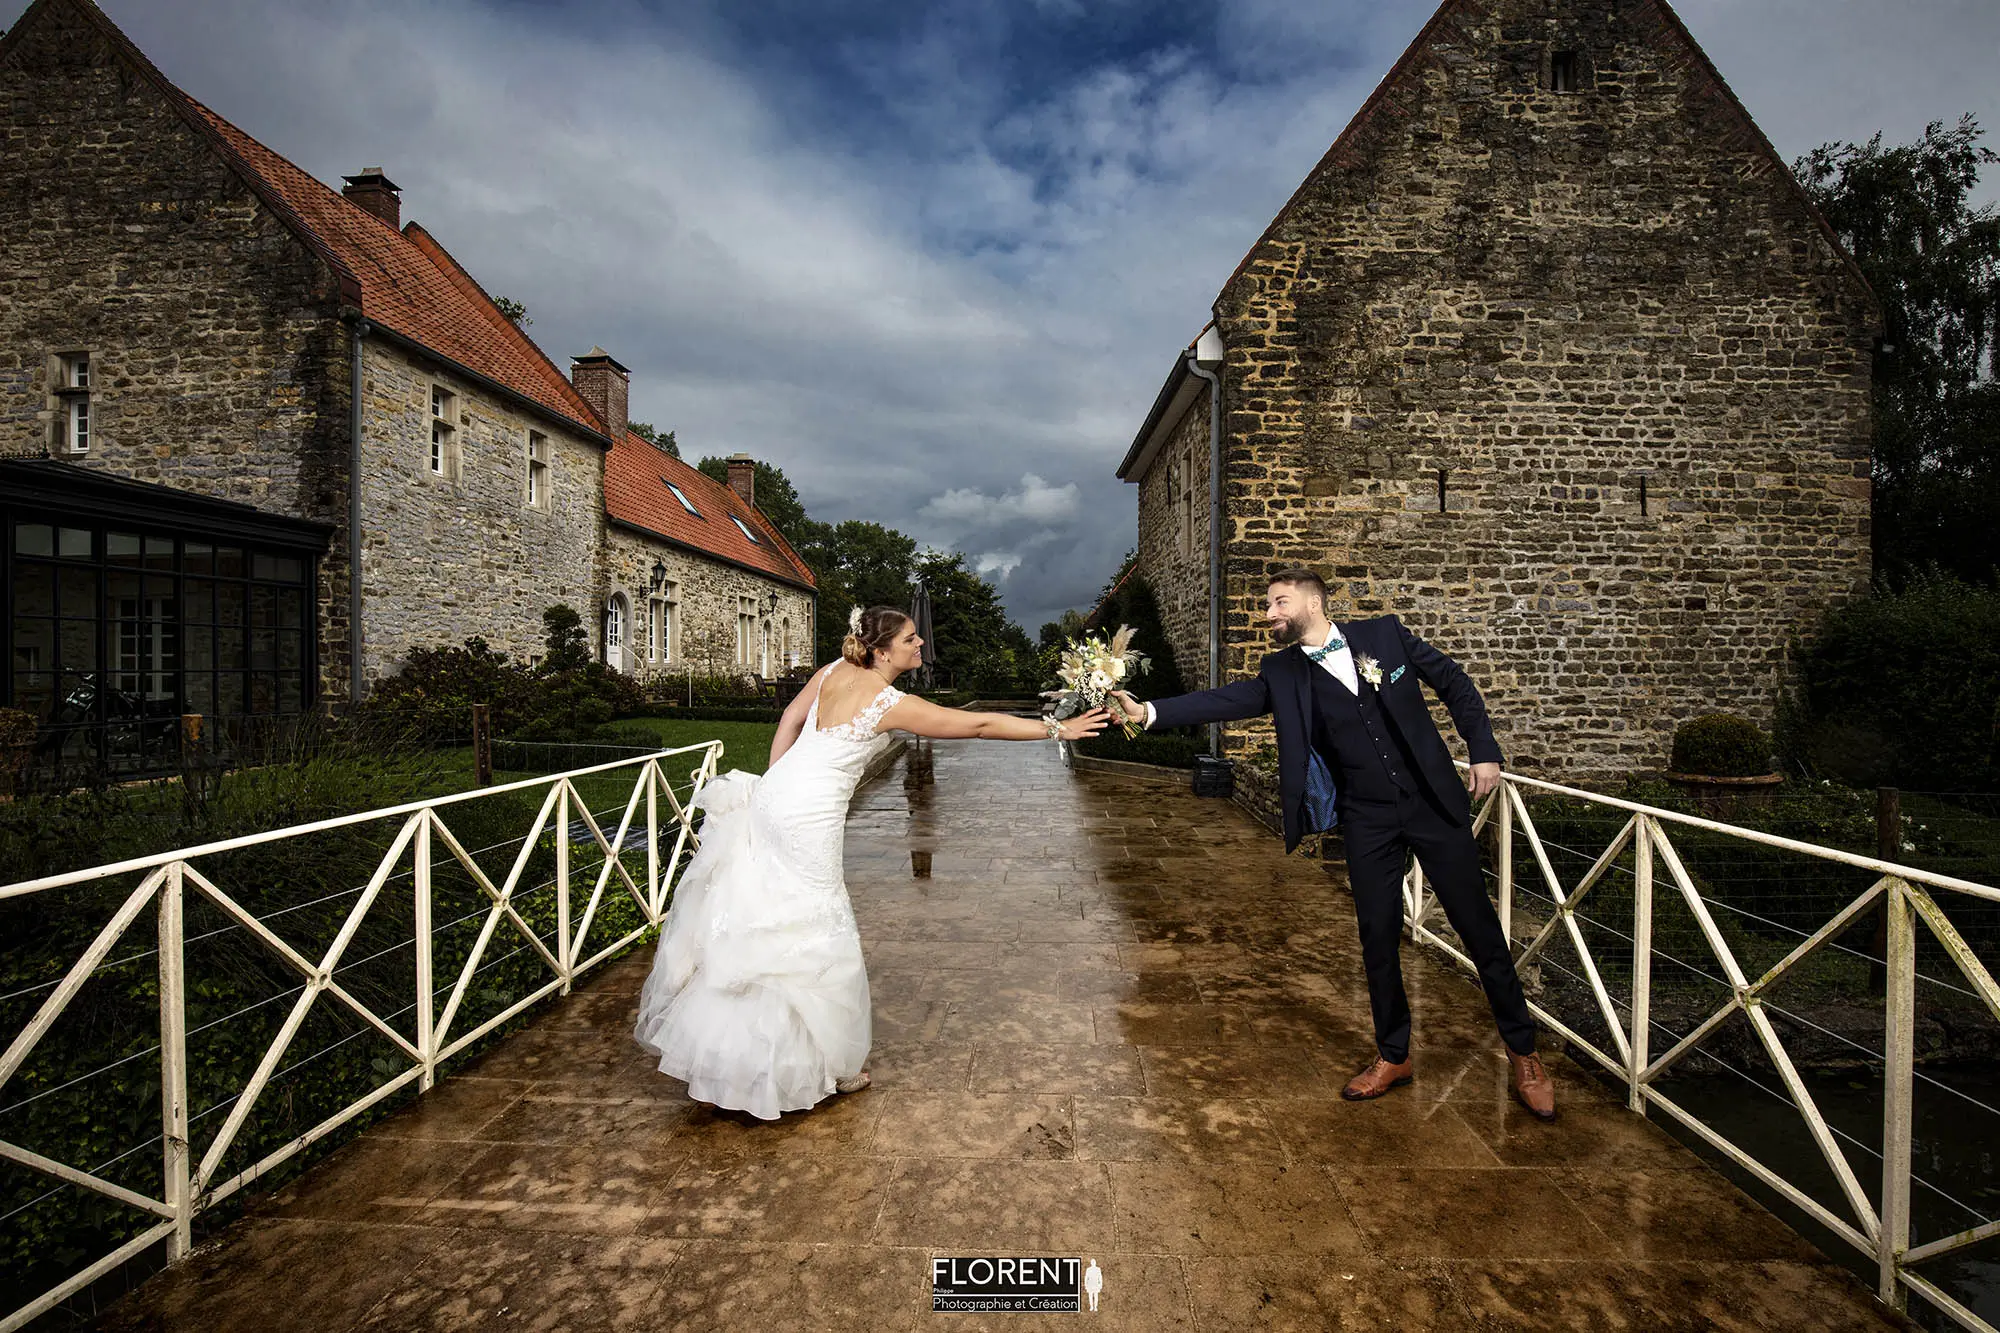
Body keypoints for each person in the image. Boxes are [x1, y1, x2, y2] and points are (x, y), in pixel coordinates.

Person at [1110, 568, 1555, 1121]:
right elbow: (1225, 701)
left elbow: (1455, 684)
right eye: (1268, 606)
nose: (1269, 614)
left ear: (1314, 601)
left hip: (1433, 805)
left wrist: (1483, 750)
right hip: (1366, 819)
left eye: (1279, 602)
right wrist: (1147, 711)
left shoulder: (1385, 636)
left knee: (1480, 930)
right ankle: (1394, 1055)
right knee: (1376, 937)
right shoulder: (1282, 672)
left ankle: (1524, 1053)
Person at [634, 605, 1111, 1119]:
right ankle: (819, 1066)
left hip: (774, 799)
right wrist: (1057, 730)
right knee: (813, 923)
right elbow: (976, 724)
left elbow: (790, 720)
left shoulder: (831, 672)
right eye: (911, 639)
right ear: (883, 651)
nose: (920, 644)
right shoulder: (888, 702)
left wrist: (774, 783)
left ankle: (749, 1057)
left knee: (764, 914)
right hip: (809, 817)